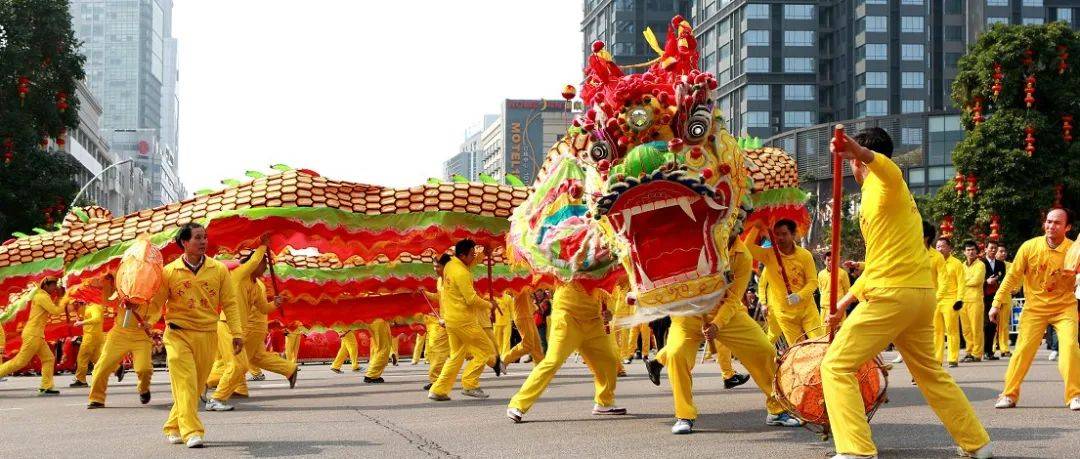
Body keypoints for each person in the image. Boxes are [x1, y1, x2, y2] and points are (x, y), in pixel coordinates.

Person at [824, 127, 990, 459]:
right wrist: (844, 303)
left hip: (893, 297)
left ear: (858, 161)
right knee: (930, 374)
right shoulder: (878, 197)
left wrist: (856, 150)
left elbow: (887, 167)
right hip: (914, 295)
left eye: (853, 161)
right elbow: (876, 263)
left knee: (836, 366)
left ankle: (856, 449)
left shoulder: (886, 182)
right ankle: (977, 443)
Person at [646, 238, 802, 434]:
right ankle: (684, 415)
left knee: (765, 350)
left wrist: (716, 324)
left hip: (729, 315)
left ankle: (777, 410)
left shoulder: (742, 255)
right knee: (676, 354)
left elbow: (735, 297)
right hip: (687, 314)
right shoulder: (691, 242)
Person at [150, 222, 245, 448]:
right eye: (197, 238)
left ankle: (173, 425)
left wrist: (236, 333)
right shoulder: (169, 272)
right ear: (185, 242)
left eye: (205, 237)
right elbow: (156, 304)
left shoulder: (219, 269)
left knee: (195, 386)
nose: (203, 241)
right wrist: (147, 322)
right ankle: (192, 431)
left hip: (207, 334)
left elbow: (230, 303)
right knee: (185, 382)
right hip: (177, 334)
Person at [990, 208, 1079, 411]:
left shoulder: (1075, 250)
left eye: (1057, 223)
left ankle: (1075, 395)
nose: (1050, 226)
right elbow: (1012, 277)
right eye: (1048, 221)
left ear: (1068, 227)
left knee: (1071, 348)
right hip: (1034, 309)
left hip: (1065, 308)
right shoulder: (1029, 247)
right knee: (1022, 351)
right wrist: (996, 303)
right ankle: (1009, 394)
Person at [506, 279, 626, 422]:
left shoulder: (608, 264)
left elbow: (609, 289)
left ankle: (604, 402)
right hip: (567, 318)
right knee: (552, 362)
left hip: (594, 321)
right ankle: (518, 404)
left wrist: (610, 311)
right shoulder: (566, 261)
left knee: (609, 361)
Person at [428, 239, 498, 401]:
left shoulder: (452, 263)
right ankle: (470, 384)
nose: (473, 257)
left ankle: (438, 389)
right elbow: (471, 299)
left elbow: (468, 264)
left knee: (456, 357)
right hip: (464, 320)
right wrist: (490, 305)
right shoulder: (461, 273)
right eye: (472, 254)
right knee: (486, 351)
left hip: (451, 320)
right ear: (462, 255)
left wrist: (481, 255)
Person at [746, 220, 821, 345]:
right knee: (797, 349)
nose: (780, 237)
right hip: (785, 314)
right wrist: (757, 227)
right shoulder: (768, 255)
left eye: (784, 234)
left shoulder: (805, 255)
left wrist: (799, 296)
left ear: (793, 235)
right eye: (777, 234)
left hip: (807, 310)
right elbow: (747, 247)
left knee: (819, 343)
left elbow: (813, 282)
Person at [238, 245, 297, 389]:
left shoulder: (254, 284)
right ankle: (288, 369)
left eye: (265, 263)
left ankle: (209, 382)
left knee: (237, 361)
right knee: (258, 358)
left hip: (250, 328)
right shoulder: (252, 282)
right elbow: (264, 308)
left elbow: (262, 308)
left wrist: (263, 245)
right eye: (263, 263)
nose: (265, 267)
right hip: (254, 328)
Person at [87, 285, 157, 408]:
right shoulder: (121, 287)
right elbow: (107, 300)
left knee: (144, 369)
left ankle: (143, 388)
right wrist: (107, 281)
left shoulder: (152, 290)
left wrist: (149, 323)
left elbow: (157, 309)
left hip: (141, 337)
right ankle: (96, 398)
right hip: (119, 335)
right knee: (102, 367)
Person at [0, 277, 66, 395]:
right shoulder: (42, 296)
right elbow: (56, 311)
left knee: (49, 359)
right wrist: (65, 299)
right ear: (45, 286)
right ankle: (46, 386)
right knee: (20, 362)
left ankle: (46, 387)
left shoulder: (43, 296)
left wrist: (61, 297)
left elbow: (54, 307)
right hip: (33, 334)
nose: (55, 287)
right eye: (53, 285)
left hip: (37, 334)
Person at [419, 254, 452, 390]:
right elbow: (440, 297)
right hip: (445, 321)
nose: (435, 269)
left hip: (454, 320)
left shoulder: (454, 279)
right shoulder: (440, 280)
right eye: (434, 266)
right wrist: (425, 293)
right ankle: (437, 380)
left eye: (437, 266)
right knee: (438, 350)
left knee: (475, 351)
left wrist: (449, 318)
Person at [934, 238, 966, 367]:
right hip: (935, 300)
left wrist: (960, 299)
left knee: (952, 330)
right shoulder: (934, 262)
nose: (940, 249)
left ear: (949, 248)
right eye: (937, 246)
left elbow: (962, 283)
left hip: (951, 301)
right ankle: (937, 360)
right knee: (936, 331)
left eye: (942, 246)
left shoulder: (956, 263)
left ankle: (953, 358)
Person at [960, 241, 987, 363]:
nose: (970, 252)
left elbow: (977, 280)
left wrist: (963, 282)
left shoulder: (980, 265)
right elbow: (957, 280)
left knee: (976, 328)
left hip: (975, 300)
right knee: (966, 329)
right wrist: (965, 281)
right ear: (964, 252)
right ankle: (969, 351)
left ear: (977, 251)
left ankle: (977, 353)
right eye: (968, 250)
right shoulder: (961, 265)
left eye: (972, 250)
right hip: (962, 300)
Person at [70, 297, 106, 388]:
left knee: (82, 358)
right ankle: (117, 368)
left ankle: (81, 379)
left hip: (91, 337)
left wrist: (82, 323)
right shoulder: (90, 306)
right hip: (94, 336)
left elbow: (96, 319)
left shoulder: (94, 306)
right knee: (96, 358)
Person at [981, 241, 1007, 360]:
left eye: (995, 248)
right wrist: (986, 281)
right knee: (984, 324)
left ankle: (989, 351)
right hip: (982, 296)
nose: (993, 250)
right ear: (985, 249)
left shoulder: (1001, 264)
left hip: (994, 297)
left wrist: (997, 280)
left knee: (992, 324)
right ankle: (980, 350)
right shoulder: (980, 262)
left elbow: (1004, 279)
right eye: (991, 248)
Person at [818, 251, 851, 326]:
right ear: (824, 261)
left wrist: (843, 306)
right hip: (824, 309)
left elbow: (847, 291)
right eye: (828, 260)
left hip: (838, 309)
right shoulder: (820, 274)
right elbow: (821, 289)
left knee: (839, 334)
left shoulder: (843, 273)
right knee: (824, 334)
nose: (830, 262)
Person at [993, 246, 1012, 357]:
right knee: (992, 324)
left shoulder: (1010, 265)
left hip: (1006, 297)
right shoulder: (991, 265)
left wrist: (1016, 288)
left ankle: (1004, 348)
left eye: (1005, 251)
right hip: (993, 297)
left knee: (1004, 324)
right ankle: (992, 347)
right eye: (1001, 251)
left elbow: (1018, 278)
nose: (1003, 253)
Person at [363, 319, 392, 383]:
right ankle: (371, 375)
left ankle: (373, 374)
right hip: (379, 321)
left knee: (378, 348)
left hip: (373, 320)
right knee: (383, 349)